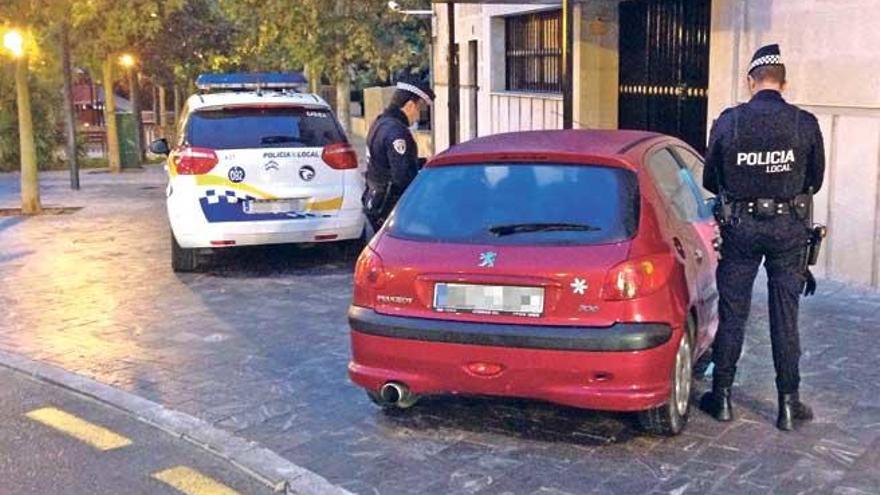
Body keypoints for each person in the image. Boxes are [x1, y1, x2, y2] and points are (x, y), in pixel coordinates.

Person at [700, 44, 825, 431]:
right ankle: (788, 404)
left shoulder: (729, 120)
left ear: (750, 82)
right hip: (788, 229)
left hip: (740, 228)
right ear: (783, 83)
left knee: (733, 312)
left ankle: (721, 397)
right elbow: (815, 181)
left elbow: (709, 178)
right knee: (785, 316)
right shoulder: (804, 122)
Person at [362, 76, 435, 233]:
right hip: (391, 209)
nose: (420, 115)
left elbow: (387, 162)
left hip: (376, 201)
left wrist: (425, 162)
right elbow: (403, 177)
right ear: (409, 105)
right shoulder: (397, 132)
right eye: (420, 108)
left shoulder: (380, 123)